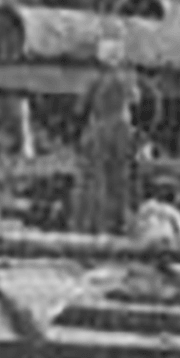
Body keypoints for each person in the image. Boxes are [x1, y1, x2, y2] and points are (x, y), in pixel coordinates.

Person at [71, 67, 144, 235]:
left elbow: (79, 108)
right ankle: (117, 225)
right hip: (119, 130)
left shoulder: (95, 80)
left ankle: (91, 225)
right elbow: (136, 100)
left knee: (95, 180)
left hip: (100, 130)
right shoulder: (128, 77)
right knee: (119, 180)